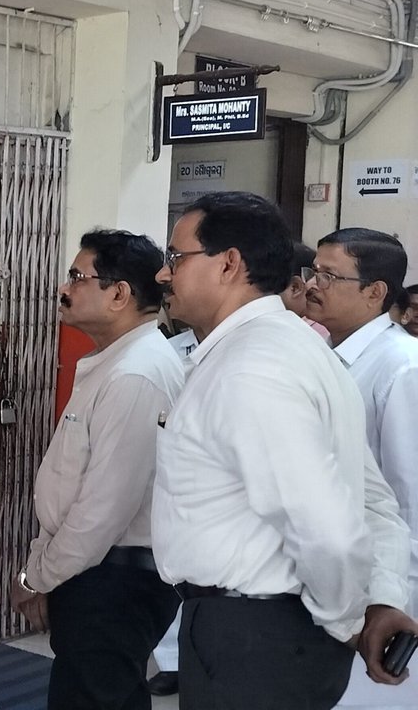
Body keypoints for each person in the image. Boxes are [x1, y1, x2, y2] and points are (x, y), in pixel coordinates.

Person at [153, 191, 413, 710]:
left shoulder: (253, 366)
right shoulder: (297, 348)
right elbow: (372, 503)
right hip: (267, 633)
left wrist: (344, 619)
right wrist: (380, 597)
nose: (164, 274)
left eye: (176, 258)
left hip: (255, 641)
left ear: (228, 264)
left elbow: (328, 529)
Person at [9, 230, 184, 709]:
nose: (63, 289)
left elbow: (102, 511)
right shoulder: (117, 363)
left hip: (115, 582)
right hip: (97, 573)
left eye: (77, 277)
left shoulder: (136, 375)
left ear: (119, 294)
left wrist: (36, 577)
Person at [302, 228, 418, 709]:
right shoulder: (331, 357)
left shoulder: (402, 368)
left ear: (375, 292)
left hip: (385, 592)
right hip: (340, 583)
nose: (313, 285)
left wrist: (391, 600)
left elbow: (410, 497)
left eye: (330, 276)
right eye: (313, 271)